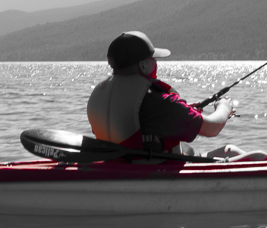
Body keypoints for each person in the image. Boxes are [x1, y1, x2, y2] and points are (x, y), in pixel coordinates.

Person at [87, 31, 233, 155]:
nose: (156, 63)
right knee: (233, 151)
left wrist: (184, 111)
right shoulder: (158, 103)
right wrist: (224, 107)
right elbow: (212, 128)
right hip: (153, 172)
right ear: (143, 65)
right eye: (153, 59)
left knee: (190, 150)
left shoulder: (102, 96)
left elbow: (143, 121)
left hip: (117, 168)